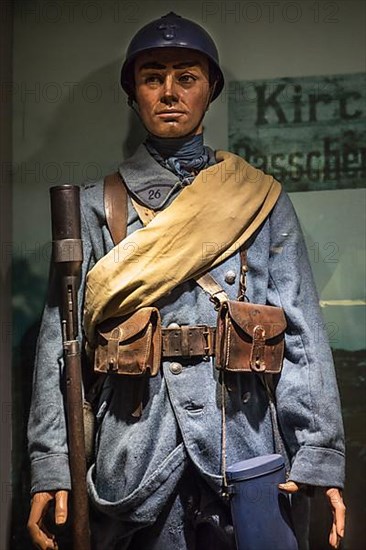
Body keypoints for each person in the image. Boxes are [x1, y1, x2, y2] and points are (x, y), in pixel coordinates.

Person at [27, 12, 346, 550]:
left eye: (186, 77)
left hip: (243, 444)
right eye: (153, 78)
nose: (169, 92)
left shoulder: (259, 199)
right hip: (134, 452)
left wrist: (319, 453)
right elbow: (61, 348)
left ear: (210, 90)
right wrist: (52, 465)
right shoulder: (93, 207)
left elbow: (301, 336)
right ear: (134, 93)